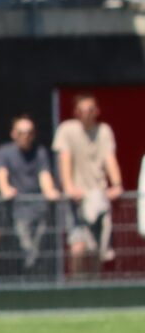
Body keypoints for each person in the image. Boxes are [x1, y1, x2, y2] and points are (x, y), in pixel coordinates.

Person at [55, 95, 121, 275]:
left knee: (96, 249)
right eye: (82, 110)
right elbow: (65, 159)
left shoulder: (104, 131)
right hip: (75, 200)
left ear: (97, 111)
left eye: (90, 110)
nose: (86, 114)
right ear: (76, 112)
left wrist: (117, 184)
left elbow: (109, 159)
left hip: (98, 198)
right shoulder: (66, 130)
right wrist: (69, 187)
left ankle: (95, 286)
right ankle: (77, 286)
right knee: (77, 247)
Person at [0, 114, 63, 279]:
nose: (26, 136)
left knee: (40, 245)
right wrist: (5, 189)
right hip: (18, 210)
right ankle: (28, 273)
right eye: (21, 132)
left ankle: (33, 273)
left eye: (29, 132)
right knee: (25, 244)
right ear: (13, 134)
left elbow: (45, 176)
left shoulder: (40, 152)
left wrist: (50, 191)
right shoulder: (4, 152)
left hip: (39, 209)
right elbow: (1, 175)